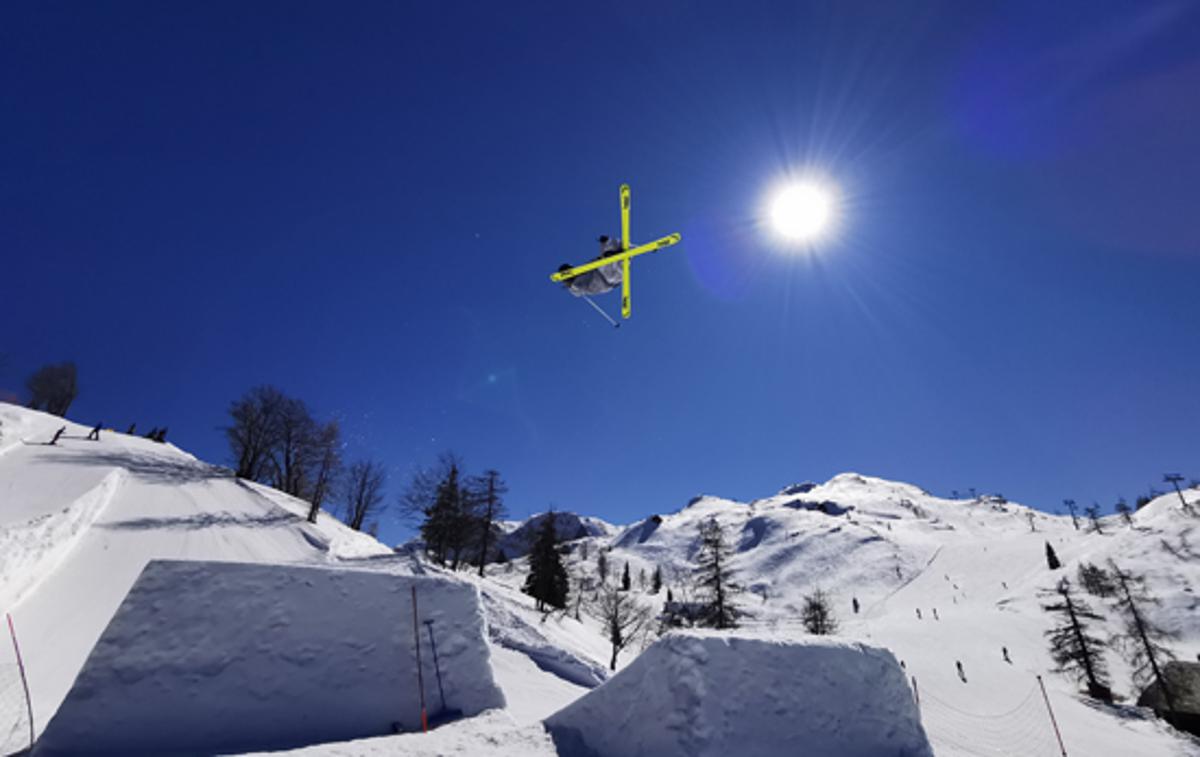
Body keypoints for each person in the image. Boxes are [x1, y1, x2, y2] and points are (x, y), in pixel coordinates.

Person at [558, 235, 624, 297]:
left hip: (612, 276)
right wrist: (569, 284)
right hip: (607, 278)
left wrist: (604, 243)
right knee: (608, 261)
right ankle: (617, 257)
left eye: (571, 268)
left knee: (609, 249)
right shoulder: (576, 286)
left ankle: (621, 251)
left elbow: (595, 262)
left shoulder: (582, 270)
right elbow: (576, 291)